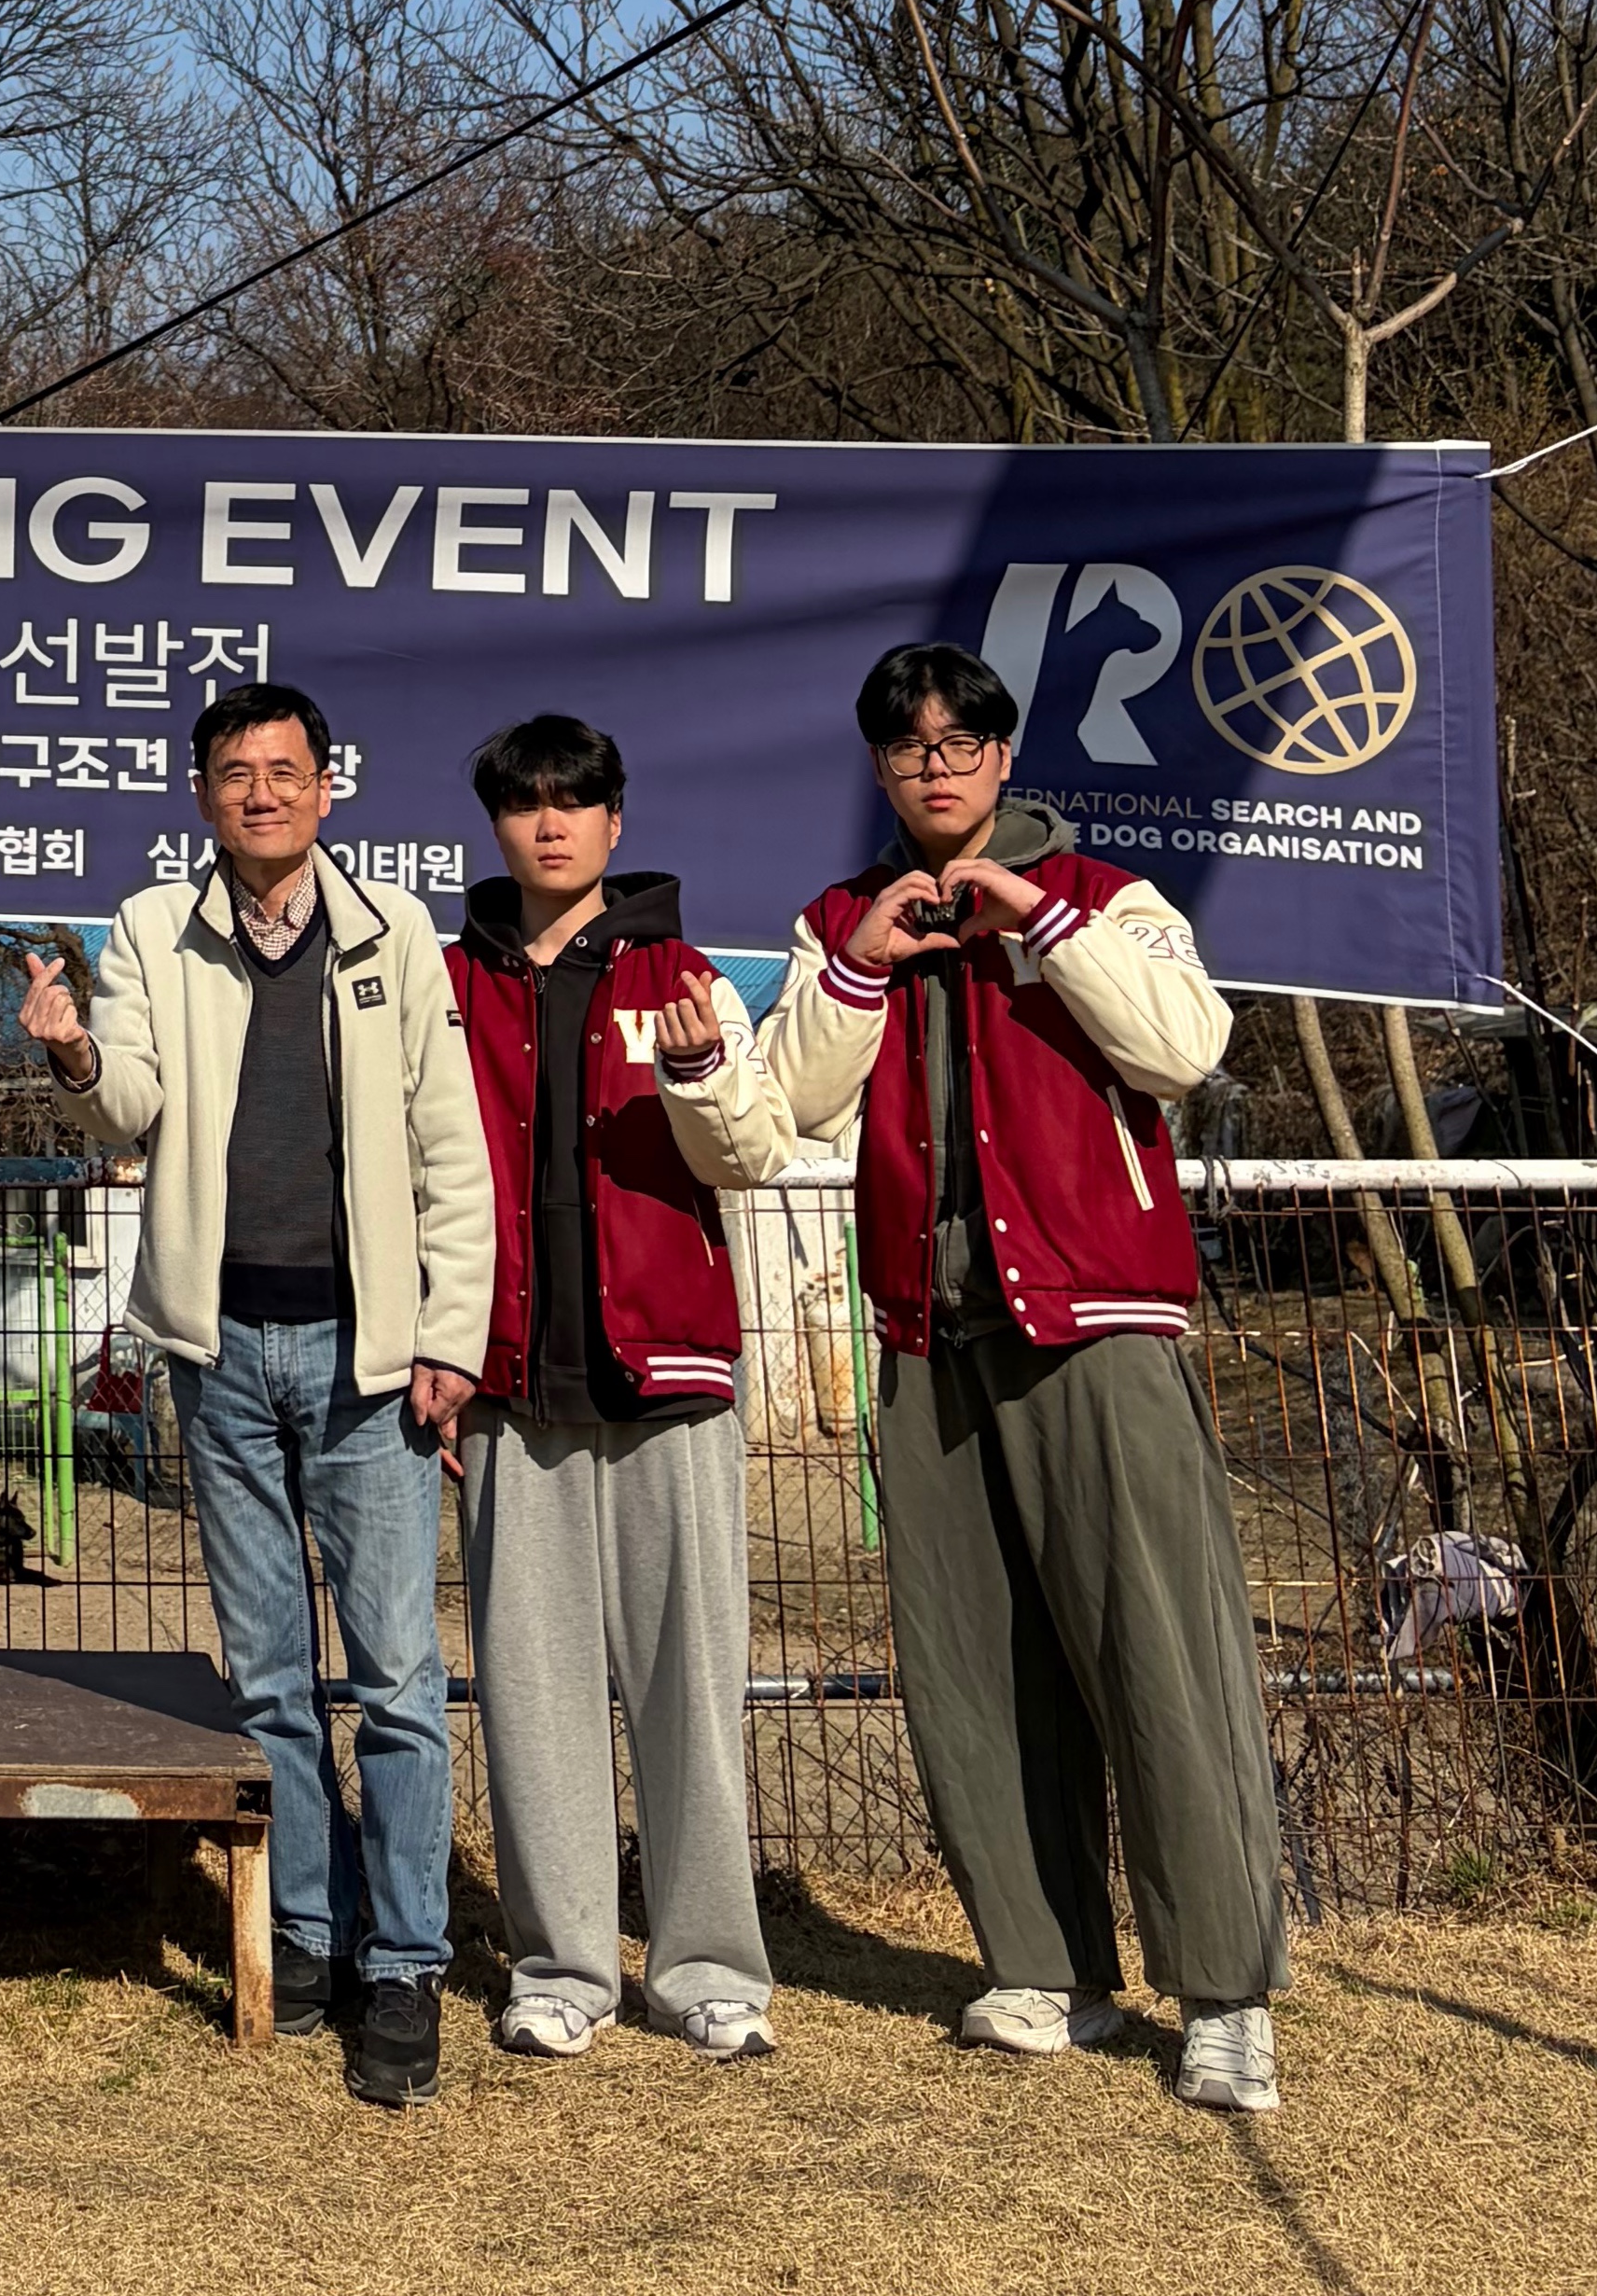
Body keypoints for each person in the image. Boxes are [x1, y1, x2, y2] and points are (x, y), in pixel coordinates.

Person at [760, 642, 1288, 2114]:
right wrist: (867, 958)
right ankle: (1043, 1966)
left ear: (1002, 755)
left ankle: (1226, 1990)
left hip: (1101, 1315)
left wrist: (1034, 916)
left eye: (959, 738)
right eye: (905, 743)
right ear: (878, 766)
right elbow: (790, 1102)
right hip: (929, 1328)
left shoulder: (1105, 893)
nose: (934, 762)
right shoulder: (835, 921)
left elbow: (1183, 1046)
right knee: (968, 1660)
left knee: (1156, 1651)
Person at [20, 680, 492, 2108]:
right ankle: (303, 1928)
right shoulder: (154, 927)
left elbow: (447, 1148)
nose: (261, 794)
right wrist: (74, 1053)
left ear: (327, 788)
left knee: (399, 1677)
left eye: (284, 772)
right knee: (274, 1679)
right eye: (235, 774)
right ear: (201, 794)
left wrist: (450, 1330)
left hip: (370, 1355)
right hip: (216, 1349)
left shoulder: (395, 932)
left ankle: (403, 1960)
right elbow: (133, 1104)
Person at [445, 714, 795, 2066]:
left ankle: (708, 1963)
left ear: (613, 823)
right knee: (530, 1691)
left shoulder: (682, 971)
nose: (549, 825)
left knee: (687, 1686)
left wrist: (702, 1068)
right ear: (497, 825)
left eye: (573, 803)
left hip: (674, 1381)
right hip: (508, 1387)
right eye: (525, 804)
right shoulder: (449, 980)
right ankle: (563, 1964)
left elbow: (753, 1152)